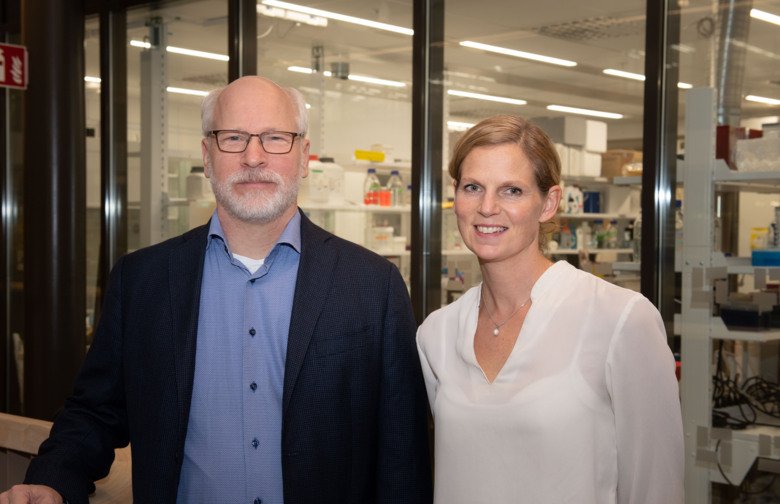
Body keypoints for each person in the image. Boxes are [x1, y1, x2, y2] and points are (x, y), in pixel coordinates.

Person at [1, 76, 432, 504]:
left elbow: (401, 451)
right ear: (208, 157)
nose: (253, 156)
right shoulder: (143, 281)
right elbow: (95, 411)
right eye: (233, 138)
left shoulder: (373, 285)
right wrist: (53, 481)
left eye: (275, 138)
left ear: (304, 156)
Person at [416, 114, 684, 503]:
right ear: (455, 196)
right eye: (473, 187)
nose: (487, 207)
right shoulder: (436, 334)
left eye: (512, 191)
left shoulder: (619, 320)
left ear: (549, 203)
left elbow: (656, 488)